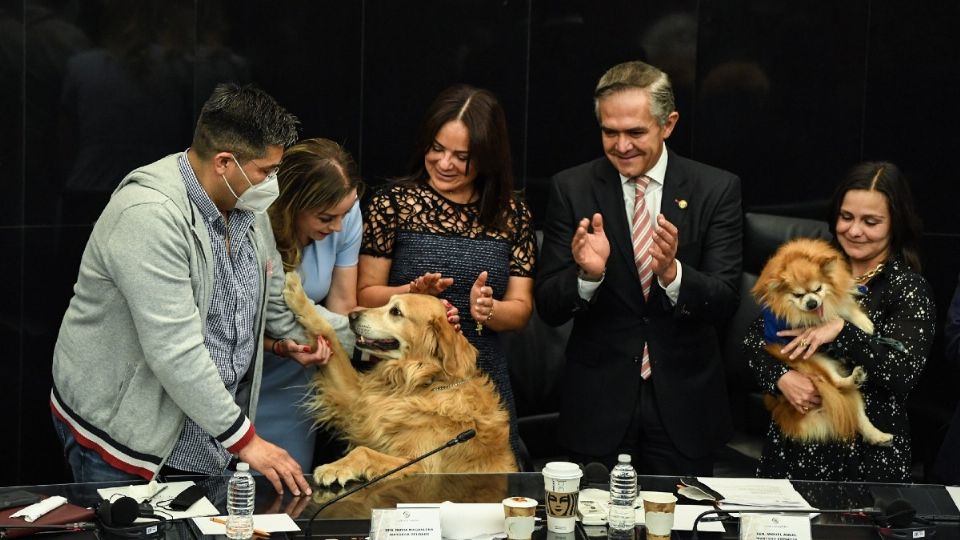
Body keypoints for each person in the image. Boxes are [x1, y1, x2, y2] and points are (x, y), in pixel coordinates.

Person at [49, 83, 331, 495]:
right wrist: (248, 442)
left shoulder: (249, 210)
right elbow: (174, 349)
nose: (273, 184)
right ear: (224, 163)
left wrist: (281, 342)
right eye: (266, 172)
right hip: (125, 441)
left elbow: (270, 305)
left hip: (206, 439)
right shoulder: (150, 215)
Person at [535, 60, 743, 475]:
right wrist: (588, 277)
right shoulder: (571, 188)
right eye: (609, 132)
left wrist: (673, 275)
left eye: (635, 132)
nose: (621, 145)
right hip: (598, 407)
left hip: (684, 405)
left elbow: (725, 300)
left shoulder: (716, 189)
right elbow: (548, 305)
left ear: (668, 124)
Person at [357, 84, 537, 460]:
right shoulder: (394, 204)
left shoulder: (512, 214)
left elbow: (521, 309)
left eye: (462, 156)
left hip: (481, 384)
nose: (444, 163)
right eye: (436, 148)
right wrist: (412, 290)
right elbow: (365, 296)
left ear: (487, 158)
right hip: (405, 386)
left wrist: (490, 310)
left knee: (483, 497)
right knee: (401, 493)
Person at [746, 161, 936, 482]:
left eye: (871, 222)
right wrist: (781, 378)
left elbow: (902, 374)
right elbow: (754, 343)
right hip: (796, 447)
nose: (854, 230)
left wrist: (842, 331)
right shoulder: (810, 266)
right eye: (846, 217)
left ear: (895, 224)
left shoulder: (908, 289)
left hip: (866, 458)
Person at [257, 138, 364, 472]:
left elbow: (344, 308)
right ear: (292, 206)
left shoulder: (345, 212)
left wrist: (352, 343)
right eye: (326, 217)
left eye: (345, 214)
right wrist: (283, 345)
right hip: (248, 361)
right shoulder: (258, 224)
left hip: (300, 369)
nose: (338, 228)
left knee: (287, 482)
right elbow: (233, 326)